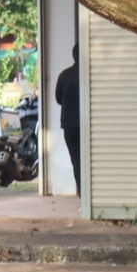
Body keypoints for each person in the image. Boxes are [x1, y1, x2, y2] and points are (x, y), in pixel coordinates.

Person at [55, 44, 80, 194]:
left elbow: (58, 99)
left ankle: (81, 191)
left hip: (69, 125)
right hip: (86, 124)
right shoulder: (90, 73)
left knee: (76, 159)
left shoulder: (64, 75)